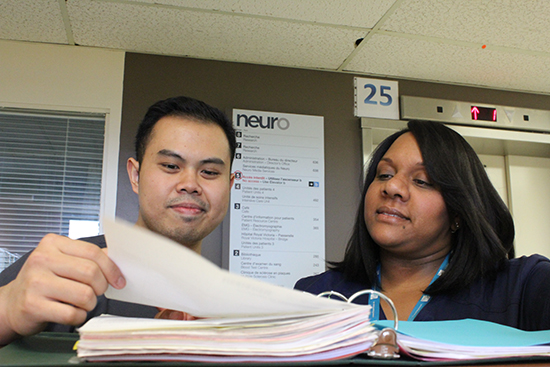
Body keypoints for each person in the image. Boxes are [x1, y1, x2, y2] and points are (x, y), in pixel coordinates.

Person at [0, 96, 236, 345]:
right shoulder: (62, 269)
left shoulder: (234, 306)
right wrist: (6, 308)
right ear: (135, 175)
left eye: (209, 172)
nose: (190, 184)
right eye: (170, 165)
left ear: (229, 186)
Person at [295, 119, 550, 331]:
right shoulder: (315, 294)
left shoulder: (525, 286)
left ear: (458, 212)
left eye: (422, 181)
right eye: (384, 174)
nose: (391, 187)